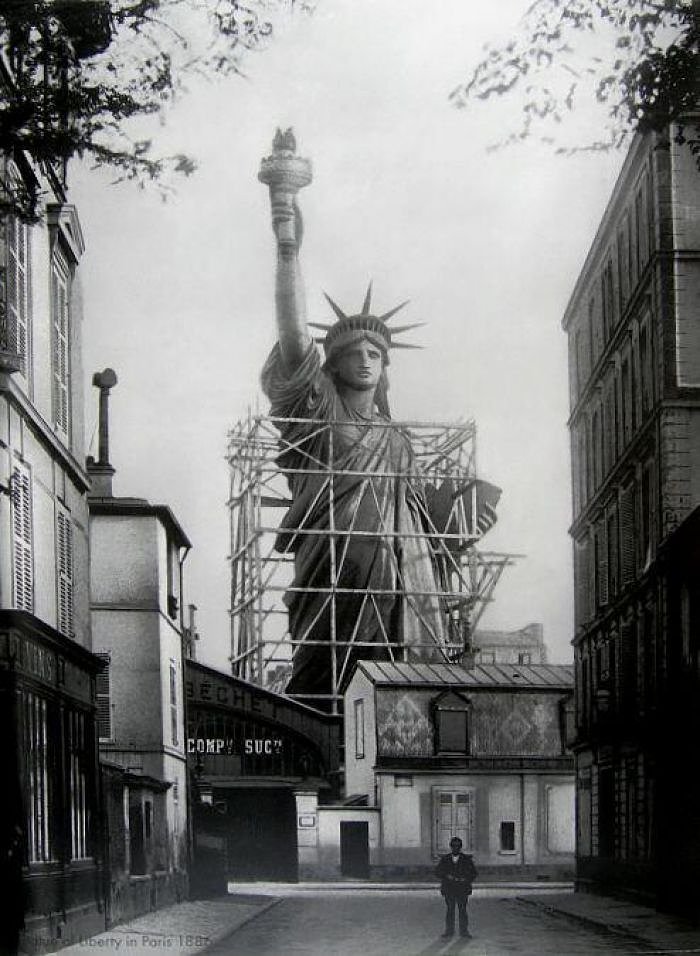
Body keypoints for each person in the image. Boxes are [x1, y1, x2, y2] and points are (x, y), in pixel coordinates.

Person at [435, 837, 477, 939]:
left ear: (461, 847)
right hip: (449, 889)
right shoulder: (445, 859)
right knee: (450, 910)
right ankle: (449, 931)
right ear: (451, 847)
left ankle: (464, 931)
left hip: (462, 889)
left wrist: (465, 879)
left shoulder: (467, 860)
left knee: (462, 910)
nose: (455, 848)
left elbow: (473, 873)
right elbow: (438, 872)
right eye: (454, 846)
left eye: (458, 846)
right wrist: (446, 876)